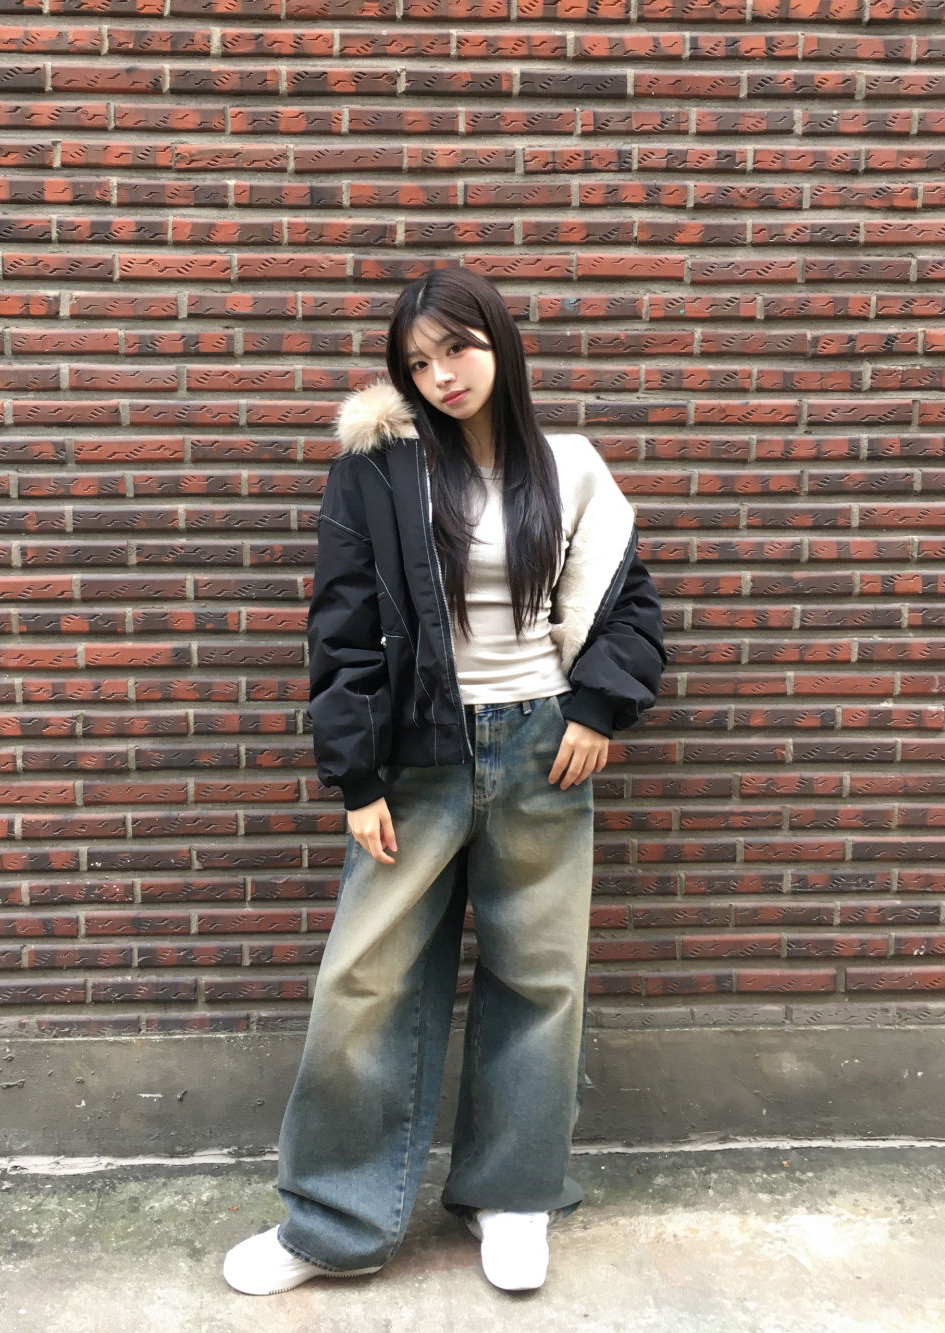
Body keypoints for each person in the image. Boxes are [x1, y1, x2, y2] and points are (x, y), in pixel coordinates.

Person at [223, 267, 666, 1296]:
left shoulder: (571, 466)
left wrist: (598, 707)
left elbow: (629, 605)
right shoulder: (378, 472)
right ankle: (332, 1222)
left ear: (499, 342)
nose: (440, 375)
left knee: (538, 978)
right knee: (363, 979)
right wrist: (354, 779)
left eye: (456, 349)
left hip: (543, 748)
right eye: (417, 362)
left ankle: (512, 1196)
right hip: (418, 756)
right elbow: (340, 629)